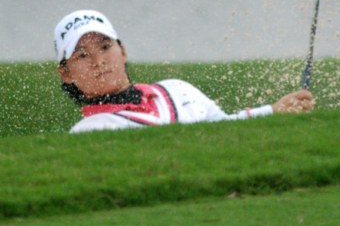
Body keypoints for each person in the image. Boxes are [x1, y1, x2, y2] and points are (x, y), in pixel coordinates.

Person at [55, 9, 315, 133]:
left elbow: (224, 128)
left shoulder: (177, 89)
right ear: (66, 74)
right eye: (82, 55)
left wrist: (274, 110)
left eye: (105, 47)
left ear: (122, 51)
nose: (98, 61)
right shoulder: (88, 132)